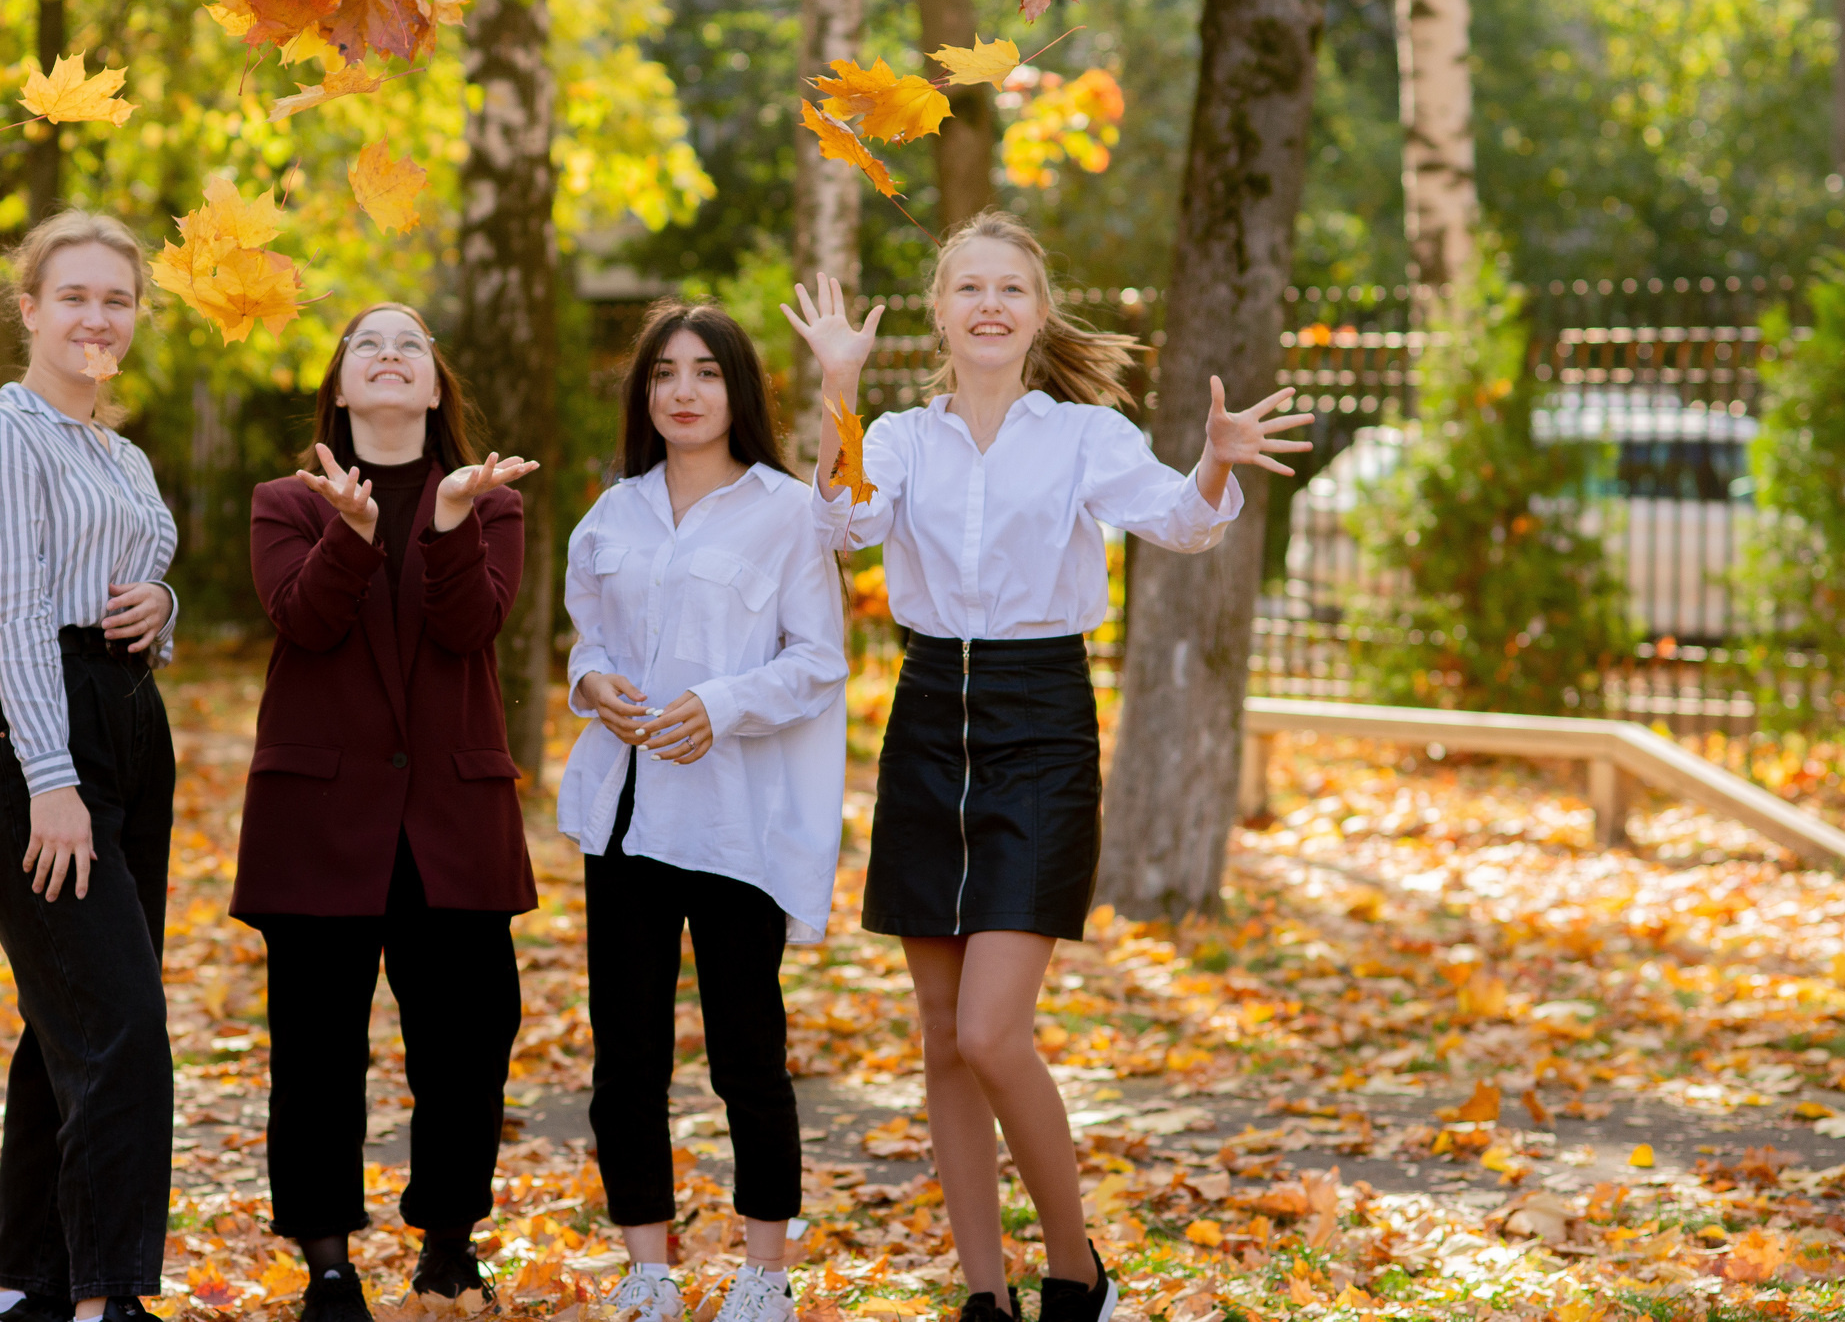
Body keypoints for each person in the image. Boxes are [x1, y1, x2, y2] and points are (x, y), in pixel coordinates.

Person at [782, 212, 1310, 1322]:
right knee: (938, 1038)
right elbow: (842, 524)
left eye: (1008, 288)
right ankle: (985, 1292)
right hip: (929, 717)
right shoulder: (897, 434)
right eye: (966, 286)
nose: (987, 303)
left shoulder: (1082, 434)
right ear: (937, 310)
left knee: (990, 1031)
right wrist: (837, 389)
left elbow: (1180, 523)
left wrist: (1212, 461)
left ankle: (1075, 1270)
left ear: (1037, 309)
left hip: (1042, 722)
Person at [232, 303, 541, 1322]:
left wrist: (447, 523)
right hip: (318, 819)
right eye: (369, 343)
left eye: (410, 342)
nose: (391, 355)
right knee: (316, 1047)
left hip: (451, 814)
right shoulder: (286, 499)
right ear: (340, 382)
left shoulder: (489, 501)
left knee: (469, 1037)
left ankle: (447, 1243)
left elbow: (471, 625)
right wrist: (355, 536)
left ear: (436, 383)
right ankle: (326, 1262)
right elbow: (303, 620)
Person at [559, 304, 848, 1322]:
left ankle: (764, 1271)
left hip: (735, 824)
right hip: (626, 818)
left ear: (738, 391)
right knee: (624, 1052)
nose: (683, 389)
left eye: (706, 372)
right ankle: (648, 1264)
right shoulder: (612, 512)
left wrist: (718, 706)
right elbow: (586, 642)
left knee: (745, 1053)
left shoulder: (786, 512)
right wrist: (591, 684)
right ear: (644, 393)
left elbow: (817, 659)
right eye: (664, 372)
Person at [0, 211, 183, 1322]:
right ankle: (105, 1300)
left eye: (116, 299)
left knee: (70, 1021)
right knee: (122, 1027)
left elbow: (135, 576)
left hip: (128, 719)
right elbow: (18, 616)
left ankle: (24, 1287)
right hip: (29, 728)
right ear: (28, 307)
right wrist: (50, 777)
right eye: (73, 295)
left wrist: (164, 606)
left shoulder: (121, 453)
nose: (96, 315)